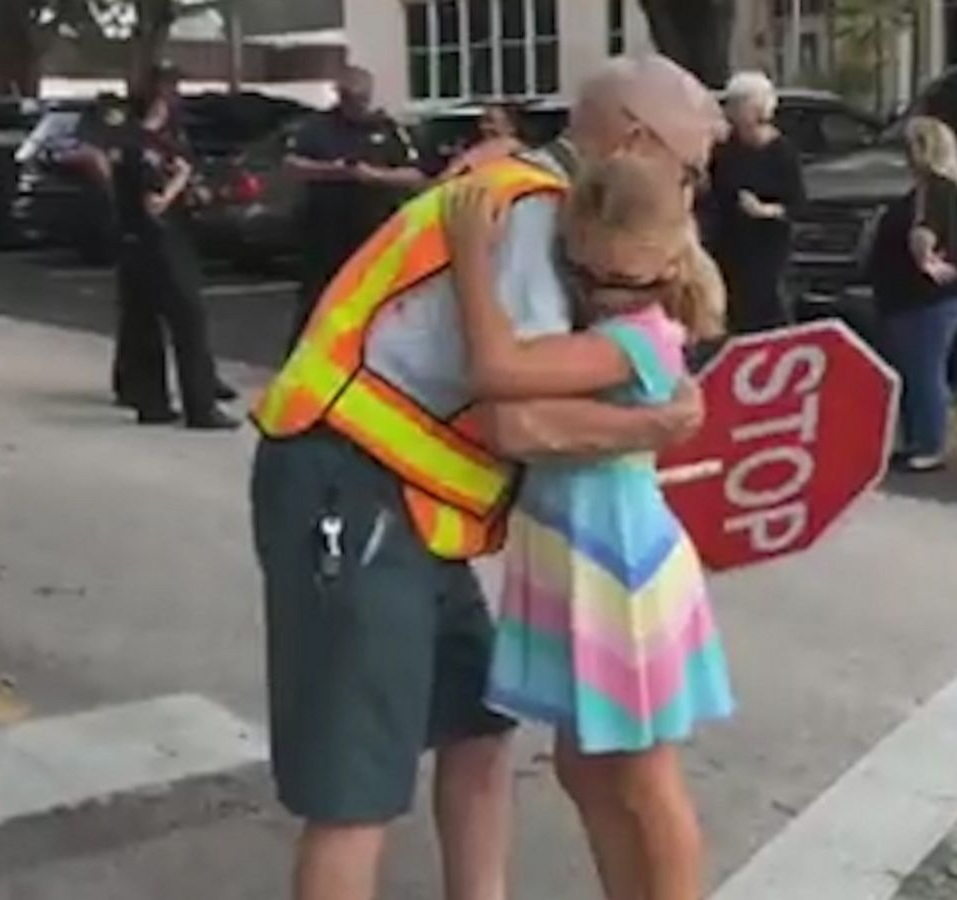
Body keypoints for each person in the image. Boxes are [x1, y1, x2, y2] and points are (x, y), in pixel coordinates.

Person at [248, 54, 723, 900]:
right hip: (353, 482)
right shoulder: (533, 217)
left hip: (411, 503)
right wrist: (656, 425)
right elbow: (517, 414)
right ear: (639, 141)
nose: (694, 193)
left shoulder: (538, 205)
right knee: (355, 789)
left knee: (476, 727)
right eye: (691, 170)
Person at [444, 155, 733, 900]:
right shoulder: (609, 324)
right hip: (575, 557)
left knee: (643, 776)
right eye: (587, 276)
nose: (604, 295)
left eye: (624, 281)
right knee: (586, 767)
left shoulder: (640, 337)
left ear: (667, 264)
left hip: (618, 567)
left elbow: (496, 370)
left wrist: (472, 258)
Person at [109, 74, 238, 430]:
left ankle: (152, 403)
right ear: (159, 103)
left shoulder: (134, 140)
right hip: (159, 242)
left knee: (144, 322)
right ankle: (201, 407)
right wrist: (180, 179)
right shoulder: (144, 148)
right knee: (188, 321)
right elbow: (154, 202)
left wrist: (196, 194)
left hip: (135, 243)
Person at [283, 66, 426, 354]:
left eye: (362, 98)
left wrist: (375, 176)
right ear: (340, 95)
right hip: (325, 233)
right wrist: (331, 171)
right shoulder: (316, 127)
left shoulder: (387, 128)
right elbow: (292, 165)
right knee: (317, 303)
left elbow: (417, 176)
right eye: (350, 97)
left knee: (375, 303)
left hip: (373, 231)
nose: (358, 104)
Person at [866, 116, 957, 473]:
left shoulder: (936, 188)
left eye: (909, 146)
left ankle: (931, 444)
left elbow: (925, 232)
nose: (905, 155)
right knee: (911, 371)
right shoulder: (927, 190)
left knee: (925, 370)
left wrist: (924, 256)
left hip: (927, 299)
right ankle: (914, 439)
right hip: (905, 298)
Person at [704, 70, 805, 334]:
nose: (733, 112)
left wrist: (765, 210)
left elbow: (797, 203)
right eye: (732, 105)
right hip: (728, 250)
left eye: (740, 105)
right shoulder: (725, 149)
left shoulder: (781, 151)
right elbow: (711, 192)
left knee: (766, 317)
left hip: (767, 251)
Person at [440, 101, 526, 180]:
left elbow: (449, 175)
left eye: (490, 121)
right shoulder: (478, 149)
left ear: (511, 126)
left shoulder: (505, 147)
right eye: (482, 122)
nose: (484, 127)